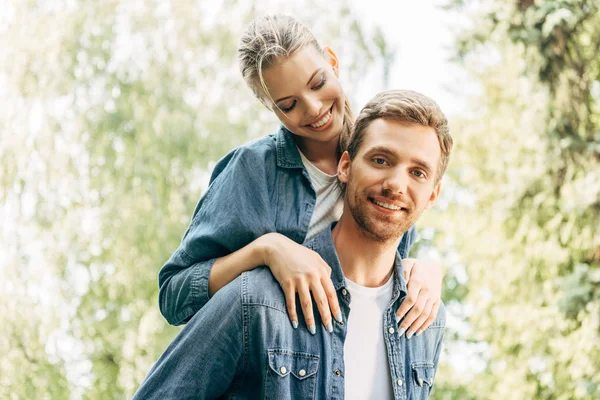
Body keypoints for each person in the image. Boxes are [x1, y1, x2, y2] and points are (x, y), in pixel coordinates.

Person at [133, 89, 453, 399]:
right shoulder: (256, 301)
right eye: (381, 160)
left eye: (418, 173)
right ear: (345, 166)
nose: (396, 184)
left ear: (433, 196)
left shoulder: (427, 318)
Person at [158, 14, 442, 338]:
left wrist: (428, 269)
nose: (313, 109)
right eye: (289, 104)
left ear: (332, 62)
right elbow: (174, 294)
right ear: (269, 107)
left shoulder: (382, 159)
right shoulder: (252, 170)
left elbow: (390, 260)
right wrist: (267, 250)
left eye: (318, 83)